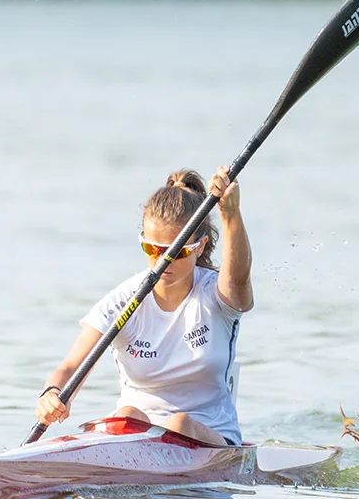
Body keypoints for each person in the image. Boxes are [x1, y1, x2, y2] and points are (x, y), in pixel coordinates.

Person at [34, 166, 254, 445]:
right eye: (153, 249)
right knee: (126, 416)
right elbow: (69, 368)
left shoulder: (216, 296)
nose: (163, 261)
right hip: (134, 436)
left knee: (179, 424)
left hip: (209, 436)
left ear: (200, 247)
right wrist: (51, 394)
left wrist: (230, 216)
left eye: (178, 252)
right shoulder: (122, 302)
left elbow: (239, 282)